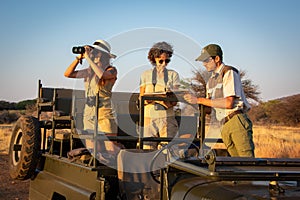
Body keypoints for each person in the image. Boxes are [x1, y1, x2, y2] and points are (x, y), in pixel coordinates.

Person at [184, 44, 255, 157]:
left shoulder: (228, 72)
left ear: (217, 59)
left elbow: (229, 103)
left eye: (206, 60)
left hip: (235, 120)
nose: (204, 64)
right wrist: (192, 104)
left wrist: (199, 100)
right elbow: (210, 108)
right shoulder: (210, 81)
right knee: (235, 164)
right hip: (223, 124)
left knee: (247, 161)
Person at [64, 39, 121, 164]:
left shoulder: (112, 70)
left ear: (104, 56)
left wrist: (88, 58)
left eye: (97, 53)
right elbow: (67, 74)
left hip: (104, 112)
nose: (95, 55)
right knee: (93, 148)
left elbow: (102, 75)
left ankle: (120, 168)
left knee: (110, 148)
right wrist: (79, 58)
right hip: (89, 112)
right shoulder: (89, 72)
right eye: (94, 53)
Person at [139, 41, 180, 150]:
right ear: (154, 59)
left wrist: (156, 98)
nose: (163, 64)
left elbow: (174, 100)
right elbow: (141, 98)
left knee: (167, 150)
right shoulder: (145, 74)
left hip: (167, 118)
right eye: (160, 61)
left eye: (167, 61)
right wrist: (160, 98)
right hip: (149, 118)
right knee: (147, 149)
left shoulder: (173, 75)